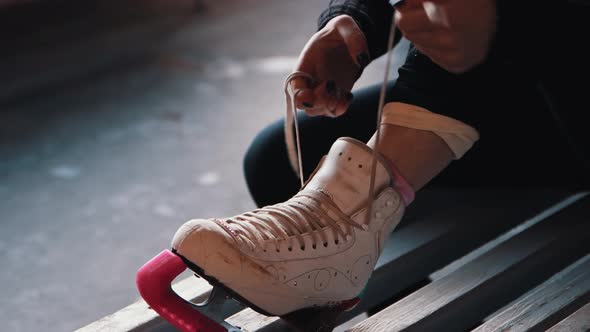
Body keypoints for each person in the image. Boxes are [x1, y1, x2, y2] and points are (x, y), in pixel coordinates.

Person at [171, 0, 589, 316]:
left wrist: (510, 17)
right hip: (526, 99)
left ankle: (349, 219)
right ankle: (389, 297)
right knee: (275, 160)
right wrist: (357, 20)